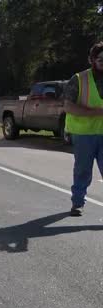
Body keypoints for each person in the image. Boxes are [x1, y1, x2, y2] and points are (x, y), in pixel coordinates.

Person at [64, 42, 103, 216]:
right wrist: (96, 112)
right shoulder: (80, 79)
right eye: (100, 59)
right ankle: (78, 203)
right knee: (83, 170)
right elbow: (69, 107)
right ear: (92, 60)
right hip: (84, 134)